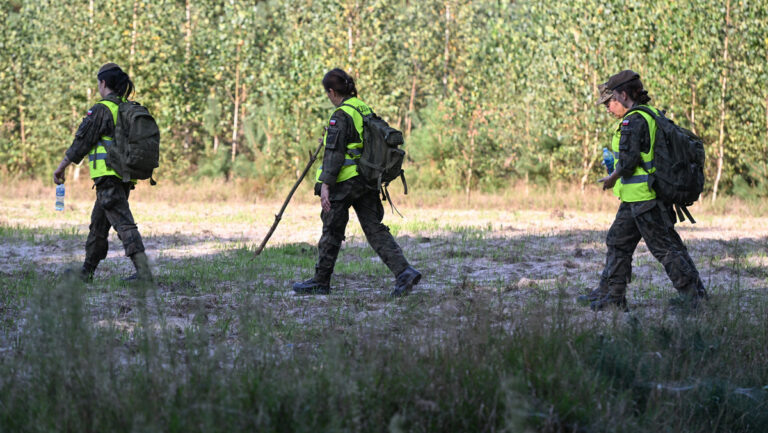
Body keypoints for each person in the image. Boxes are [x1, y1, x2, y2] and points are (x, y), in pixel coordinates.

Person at [579, 70, 707, 310]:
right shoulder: (651, 115)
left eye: (609, 102)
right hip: (636, 199)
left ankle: (693, 299)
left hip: (645, 200)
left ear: (623, 95)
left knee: (666, 249)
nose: (607, 108)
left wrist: (611, 178)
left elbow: (629, 163)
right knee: (618, 242)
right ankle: (611, 296)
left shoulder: (632, 121)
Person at [292, 68, 421, 296]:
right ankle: (404, 272)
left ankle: (321, 281)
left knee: (331, 229)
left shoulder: (340, 114)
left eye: (327, 94)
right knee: (374, 229)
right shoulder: (362, 108)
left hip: (345, 181)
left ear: (332, 92)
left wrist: (325, 185)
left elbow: (334, 155)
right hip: (366, 179)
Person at [53, 63, 153, 283]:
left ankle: (144, 272)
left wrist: (61, 168)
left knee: (123, 222)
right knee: (98, 224)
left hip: (108, 176)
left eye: (98, 83)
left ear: (103, 83)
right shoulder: (125, 107)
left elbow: (82, 142)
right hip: (123, 176)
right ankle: (87, 271)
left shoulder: (102, 109)